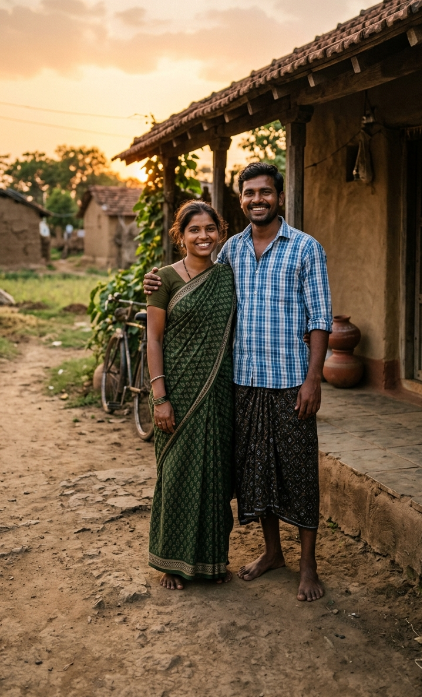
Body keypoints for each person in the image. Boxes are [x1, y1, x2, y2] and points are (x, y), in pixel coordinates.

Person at [144, 162, 332, 602]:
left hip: (289, 382)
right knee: (256, 474)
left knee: (301, 474)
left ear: (279, 197)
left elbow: (320, 318)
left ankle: (308, 564)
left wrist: (313, 379)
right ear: (241, 199)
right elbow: (182, 277)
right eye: (249, 193)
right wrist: (155, 279)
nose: (257, 200)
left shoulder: (306, 248)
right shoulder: (231, 252)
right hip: (244, 383)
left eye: (265, 192)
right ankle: (272, 553)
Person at [146, 200, 235, 590]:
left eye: (210, 229)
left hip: (219, 393)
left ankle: (211, 563)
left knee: (215, 477)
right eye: (194, 230)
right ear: (180, 235)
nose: (203, 236)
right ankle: (172, 563)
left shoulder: (228, 276)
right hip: (178, 391)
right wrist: (160, 397)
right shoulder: (164, 278)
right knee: (178, 473)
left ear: (221, 232)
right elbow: (152, 337)